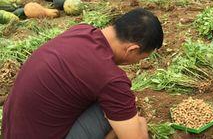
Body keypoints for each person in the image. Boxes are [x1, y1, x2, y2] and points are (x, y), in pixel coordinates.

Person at [2, 8, 164, 139]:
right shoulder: (111, 80)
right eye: (141, 58)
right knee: (116, 112)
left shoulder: (81, 30)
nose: (138, 63)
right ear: (132, 49)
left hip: (13, 131)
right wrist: (140, 124)